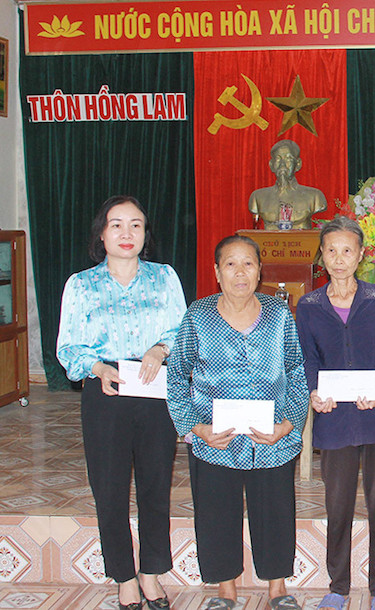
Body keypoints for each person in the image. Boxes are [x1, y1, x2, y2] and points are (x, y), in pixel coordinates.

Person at [57, 195, 186, 610]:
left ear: (146, 233)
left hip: (153, 386)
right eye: (117, 225)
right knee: (109, 489)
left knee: (155, 485)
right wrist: (97, 367)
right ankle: (124, 577)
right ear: (102, 233)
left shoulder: (164, 277)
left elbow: (181, 330)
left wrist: (160, 349)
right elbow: (67, 348)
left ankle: (151, 572)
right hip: (106, 389)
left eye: (136, 225)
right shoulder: (81, 284)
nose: (126, 233)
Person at [166, 235, 309, 610]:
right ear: (217, 272)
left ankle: (277, 587)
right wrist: (196, 428)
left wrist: (288, 425)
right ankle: (225, 588)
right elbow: (177, 375)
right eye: (231, 264)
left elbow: (296, 372)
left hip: (271, 439)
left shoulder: (279, 315)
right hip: (215, 440)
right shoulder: (198, 315)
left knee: (276, 510)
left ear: (260, 271)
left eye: (249, 263)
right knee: (216, 511)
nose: (240, 272)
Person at [295, 216, 375, 610]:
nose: (339, 258)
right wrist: (314, 391)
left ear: (361, 255)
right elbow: (307, 359)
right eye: (331, 251)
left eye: (347, 250)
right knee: (338, 507)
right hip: (335, 422)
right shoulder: (309, 306)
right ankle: (338, 587)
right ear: (322, 256)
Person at [248, 139, 328, 230]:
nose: (282, 164)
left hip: (302, 238)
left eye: (288, 159)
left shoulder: (315, 196)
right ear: (271, 165)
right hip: (269, 239)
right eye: (278, 159)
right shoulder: (257, 197)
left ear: (298, 164)